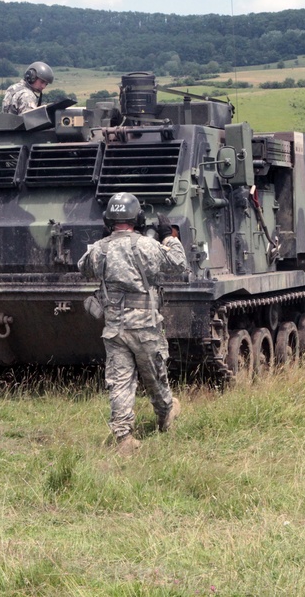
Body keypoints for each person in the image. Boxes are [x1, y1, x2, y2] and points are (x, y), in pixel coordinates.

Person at [78, 192, 189, 455]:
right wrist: (168, 236)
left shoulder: (99, 249)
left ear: (108, 220)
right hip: (145, 326)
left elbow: (84, 266)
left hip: (115, 328)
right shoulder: (147, 246)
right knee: (154, 376)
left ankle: (123, 437)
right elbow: (179, 264)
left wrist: (103, 246)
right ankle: (165, 415)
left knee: (120, 382)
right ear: (137, 218)